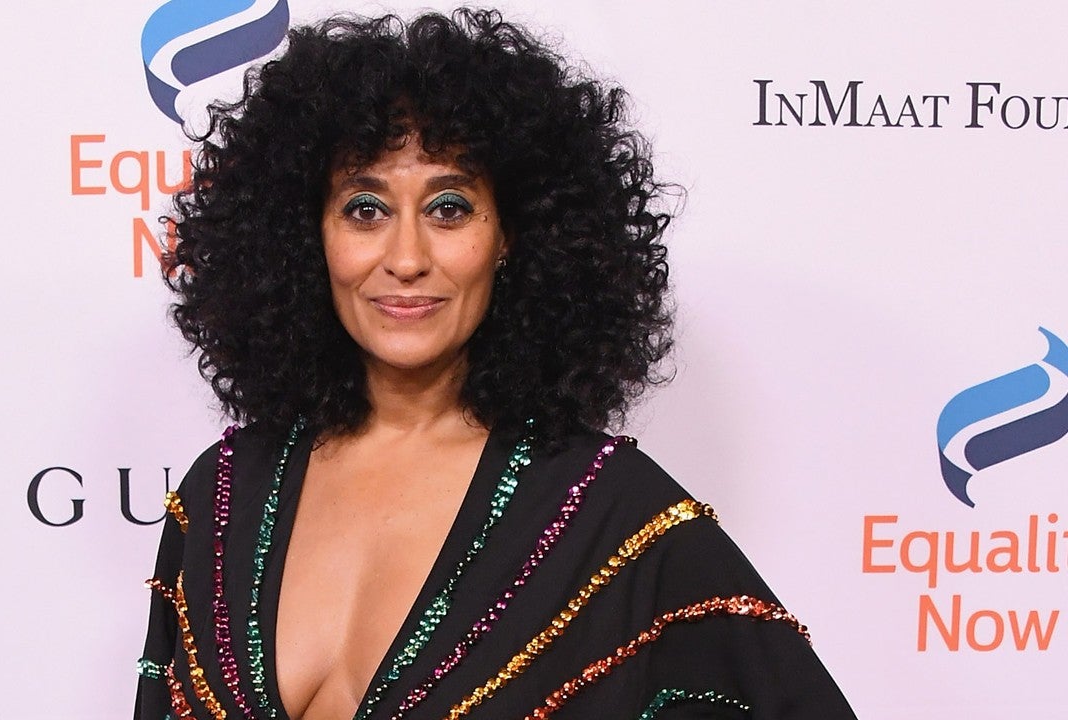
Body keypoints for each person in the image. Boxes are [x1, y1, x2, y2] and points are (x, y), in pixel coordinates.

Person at [136, 8, 857, 720]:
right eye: (365, 209)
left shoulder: (609, 514)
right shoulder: (221, 497)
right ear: (306, 233)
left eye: (449, 208)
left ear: (513, 234)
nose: (407, 258)